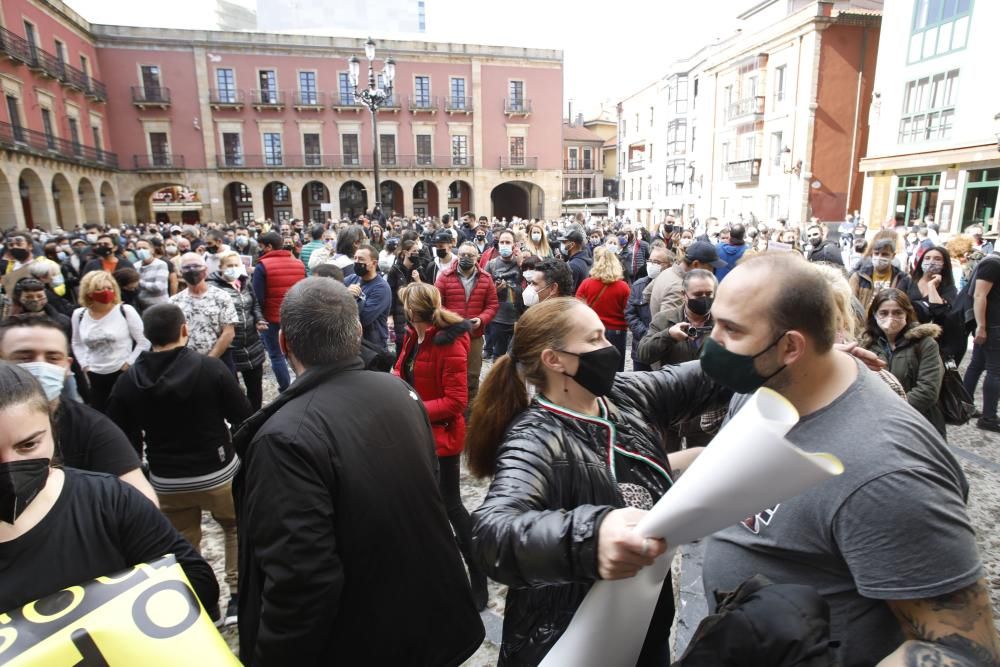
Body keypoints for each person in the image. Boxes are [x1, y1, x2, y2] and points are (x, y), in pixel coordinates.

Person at [700, 252, 996, 667]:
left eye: (731, 330)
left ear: (791, 346)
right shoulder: (762, 386)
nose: (713, 342)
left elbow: (962, 650)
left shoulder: (888, 471)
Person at [232, 278, 485, 665]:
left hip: (368, 638)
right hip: (430, 621)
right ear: (356, 333)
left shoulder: (284, 439)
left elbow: (301, 582)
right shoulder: (400, 394)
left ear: (284, 344)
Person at [468, 297, 724, 665]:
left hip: (646, 612)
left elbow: (703, 378)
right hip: (572, 633)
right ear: (554, 360)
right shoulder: (536, 436)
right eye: (594, 339)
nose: (609, 348)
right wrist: (589, 536)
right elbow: (491, 533)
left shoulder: (621, 394)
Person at [0, 361, 220, 617]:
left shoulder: (108, 501)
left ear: (53, 432)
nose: (10, 468)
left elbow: (197, 582)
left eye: (28, 446)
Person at [391, 283, 488, 608]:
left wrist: (412, 407)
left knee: (450, 506)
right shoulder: (412, 335)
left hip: (441, 438)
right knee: (421, 506)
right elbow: (404, 368)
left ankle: (478, 575)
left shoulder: (449, 342)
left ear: (412, 310)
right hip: (414, 434)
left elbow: (456, 401)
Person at [0, 315, 158, 505]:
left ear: (67, 366)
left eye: (52, 358)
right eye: (25, 357)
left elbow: (141, 500)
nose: (40, 366)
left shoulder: (92, 428)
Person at [859, 288, 945, 438]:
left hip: (917, 424)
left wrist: (891, 411)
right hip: (878, 426)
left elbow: (928, 391)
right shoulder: (866, 345)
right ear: (875, 315)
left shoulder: (925, 344)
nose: (890, 318)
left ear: (907, 314)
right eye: (884, 313)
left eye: (897, 312)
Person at [71, 270, 150, 412]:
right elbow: (76, 342)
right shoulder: (79, 315)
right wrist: (85, 365)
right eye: (100, 289)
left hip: (122, 372)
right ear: (89, 292)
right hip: (95, 374)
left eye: (109, 288)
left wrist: (128, 362)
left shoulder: (125, 311)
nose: (106, 292)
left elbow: (143, 341)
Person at [435, 241, 499, 400]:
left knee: (472, 375)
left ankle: (469, 412)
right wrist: (451, 319)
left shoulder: (486, 278)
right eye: (462, 255)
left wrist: (481, 319)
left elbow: (492, 305)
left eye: (470, 255)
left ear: (477, 257)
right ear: (458, 255)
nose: (466, 258)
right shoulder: (444, 276)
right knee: (449, 372)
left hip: (474, 335)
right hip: (451, 333)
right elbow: (436, 303)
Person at [210, 251, 267, 411]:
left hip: (251, 342)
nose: (234, 268)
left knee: (255, 386)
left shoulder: (245, 282)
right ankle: (238, 420)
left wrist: (259, 319)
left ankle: (256, 418)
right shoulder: (213, 287)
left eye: (236, 265)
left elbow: (254, 304)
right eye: (230, 265)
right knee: (233, 388)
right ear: (221, 267)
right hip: (230, 346)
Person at [252, 231, 304, 392]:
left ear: (269, 246)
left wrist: (257, 317)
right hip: (295, 314)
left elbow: (257, 297)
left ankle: (286, 388)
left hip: (272, 317)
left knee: (276, 354)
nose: (260, 250)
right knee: (297, 352)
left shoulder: (262, 266)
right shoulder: (298, 264)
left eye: (261, 247)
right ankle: (303, 384)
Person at [169, 253, 237, 363]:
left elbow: (229, 332)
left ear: (205, 270)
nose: (192, 270)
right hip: (187, 362)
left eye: (196, 266)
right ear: (181, 272)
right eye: (186, 267)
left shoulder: (221, 296)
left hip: (219, 361)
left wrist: (208, 361)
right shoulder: (174, 302)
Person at [963, 246, 1000, 432]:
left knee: (977, 365)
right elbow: (979, 295)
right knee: (995, 371)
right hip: (993, 326)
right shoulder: (993, 263)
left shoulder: (992, 262)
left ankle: (965, 406)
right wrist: (982, 326)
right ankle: (989, 417)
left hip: (990, 325)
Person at [576, 246, 630, 371]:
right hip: (617, 332)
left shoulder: (586, 284)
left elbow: (578, 307)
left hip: (592, 329)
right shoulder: (623, 287)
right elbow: (628, 310)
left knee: (594, 367)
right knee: (616, 369)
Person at [647, 240, 726, 318]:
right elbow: (669, 324)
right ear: (696, 264)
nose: (712, 272)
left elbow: (646, 294)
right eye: (710, 267)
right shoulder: (679, 288)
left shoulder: (668, 272)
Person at [625, 247, 672, 372]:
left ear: (668, 266)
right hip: (641, 348)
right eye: (650, 261)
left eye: (656, 262)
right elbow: (630, 314)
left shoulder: (673, 287)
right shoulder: (639, 285)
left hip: (665, 350)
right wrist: (647, 335)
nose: (651, 265)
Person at [484, 229, 524, 358]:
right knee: (498, 356)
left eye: (508, 242)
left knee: (515, 357)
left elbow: (533, 283)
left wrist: (522, 264)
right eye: (502, 242)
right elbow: (483, 291)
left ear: (514, 245)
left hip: (518, 318)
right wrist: (495, 291)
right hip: (498, 318)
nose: (505, 245)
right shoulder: (491, 264)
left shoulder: (521, 262)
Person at [345, 244, 392, 351]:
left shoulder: (381, 288)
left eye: (361, 259)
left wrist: (352, 298)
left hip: (373, 347)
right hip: (354, 344)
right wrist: (346, 293)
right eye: (355, 258)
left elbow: (363, 319)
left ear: (374, 263)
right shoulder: (352, 279)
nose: (357, 262)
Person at [849, 236, 911, 315]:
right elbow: (851, 303)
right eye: (876, 253)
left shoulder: (902, 278)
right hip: (864, 322)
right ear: (872, 255)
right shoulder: (859, 277)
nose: (880, 257)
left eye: (885, 254)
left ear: (893, 256)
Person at [134, 237, 171, 310]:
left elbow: (158, 287)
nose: (141, 250)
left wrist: (139, 283)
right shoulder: (135, 266)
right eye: (138, 249)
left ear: (152, 250)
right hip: (142, 306)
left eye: (144, 248)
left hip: (160, 306)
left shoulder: (161, 264)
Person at [557, 227, 592, 293]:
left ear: (572, 244)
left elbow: (568, 293)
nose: (562, 245)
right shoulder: (583, 258)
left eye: (564, 242)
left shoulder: (573, 265)